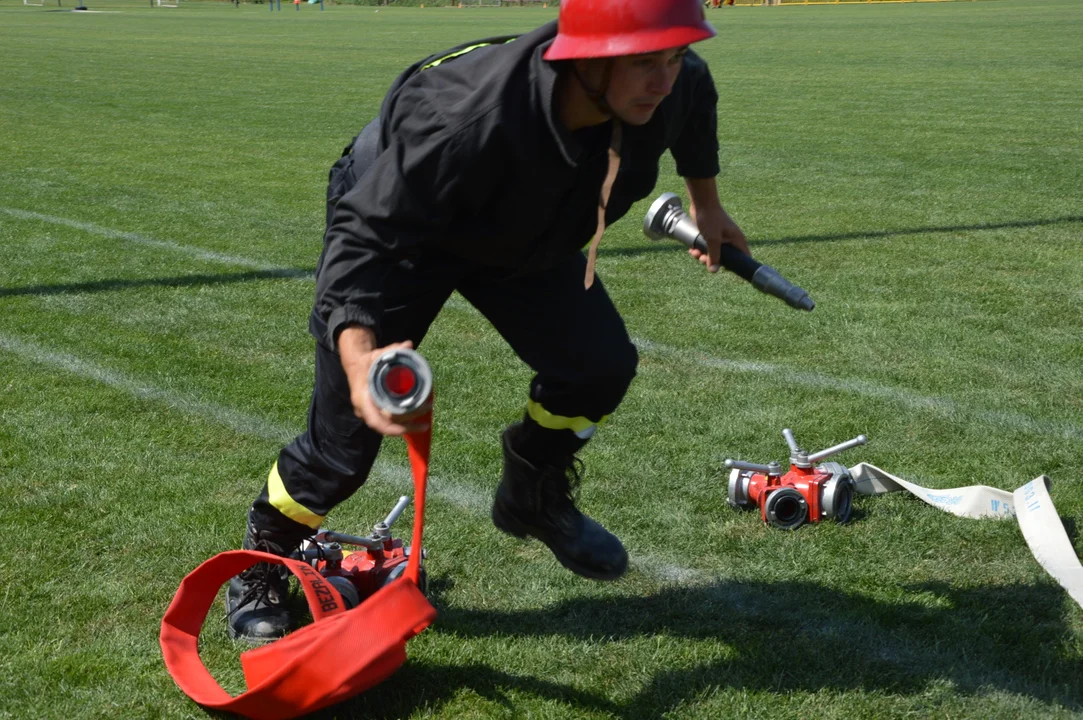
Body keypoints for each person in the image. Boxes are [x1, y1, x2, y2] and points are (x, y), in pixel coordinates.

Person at [226, 0, 750, 641]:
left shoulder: (672, 83)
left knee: (598, 366)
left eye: (671, 57)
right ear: (584, 59)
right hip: (406, 232)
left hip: (521, 232)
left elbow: (693, 100)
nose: (664, 79)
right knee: (344, 450)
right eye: (645, 61)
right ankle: (263, 561)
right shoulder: (462, 120)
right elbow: (365, 237)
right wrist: (360, 359)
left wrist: (709, 205)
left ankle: (532, 490)